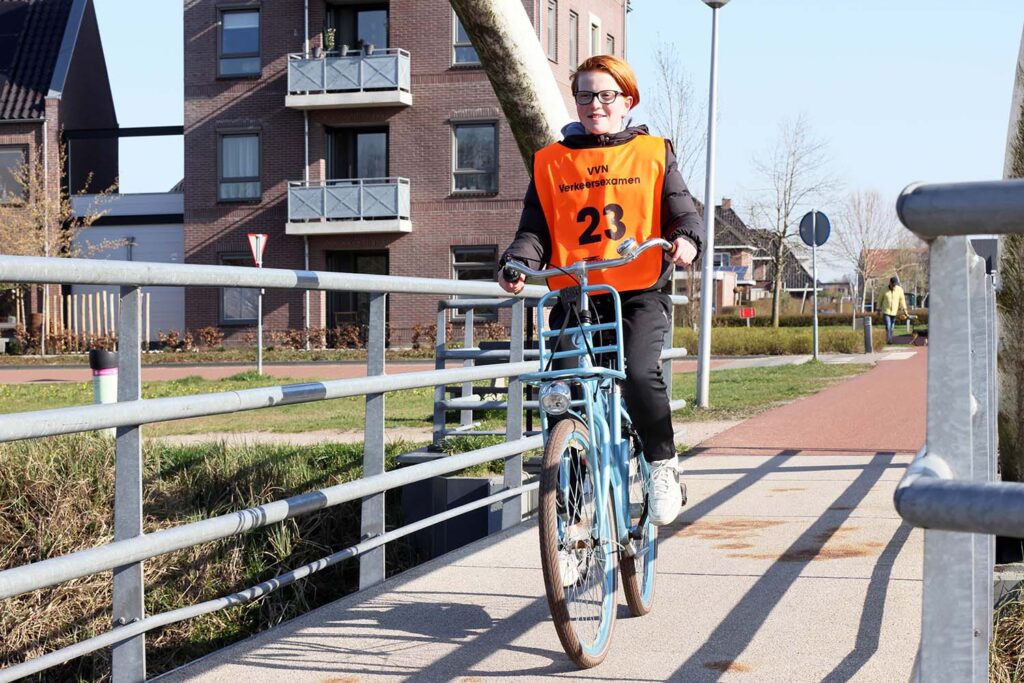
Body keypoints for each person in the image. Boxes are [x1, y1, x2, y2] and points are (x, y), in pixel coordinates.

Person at [498, 55, 705, 526]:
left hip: (638, 290)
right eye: (586, 95)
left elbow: (684, 214)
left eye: (606, 95)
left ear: (627, 100)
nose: (595, 104)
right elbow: (535, 231)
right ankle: (567, 521)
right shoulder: (552, 161)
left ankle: (661, 465)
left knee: (636, 371)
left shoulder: (654, 153)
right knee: (559, 393)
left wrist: (687, 241)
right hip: (576, 295)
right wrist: (515, 263)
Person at [880, 275, 909, 344]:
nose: (894, 286)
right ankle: (889, 340)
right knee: (888, 325)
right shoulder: (884, 289)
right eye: (893, 284)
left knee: (892, 327)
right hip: (886, 311)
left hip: (894, 312)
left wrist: (905, 310)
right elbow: (879, 299)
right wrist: (878, 309)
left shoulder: (899, 290)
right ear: (890, 283)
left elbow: (902, 301)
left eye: (895, 285)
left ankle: (890, 338)